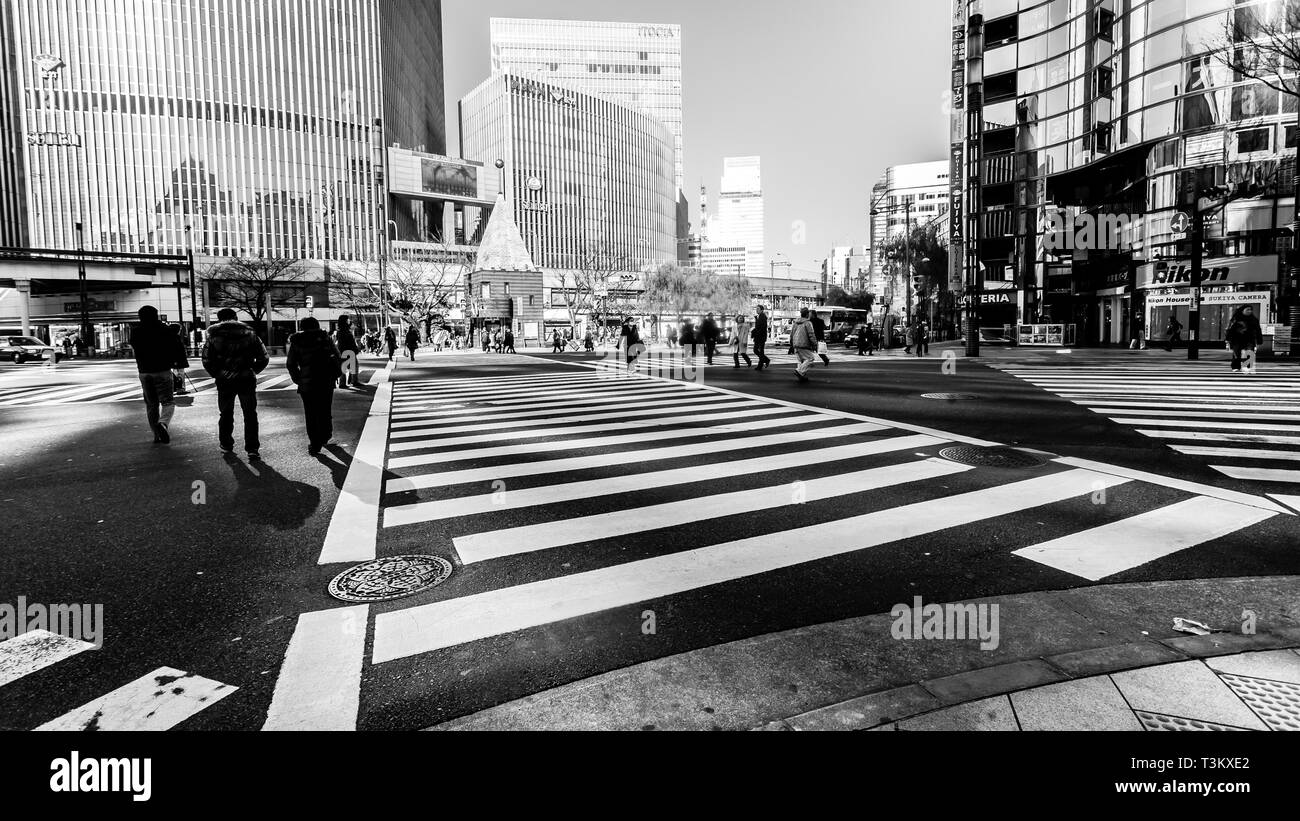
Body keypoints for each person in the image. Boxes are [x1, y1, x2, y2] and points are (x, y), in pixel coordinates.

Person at [202, 307, 269, 460]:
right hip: (246, 378)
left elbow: (206, 359)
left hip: (224, 380)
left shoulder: (213, 337)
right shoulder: (250, 335)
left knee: (225, 412)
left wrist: (218, 373)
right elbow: (264, 357)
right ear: (236, 317)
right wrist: (252, 371)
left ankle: (226, 443)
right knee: (250, 413)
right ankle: (252, 448)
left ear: (219, 319)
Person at [129, 306, 188, 444]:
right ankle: (163, 423)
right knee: (168, 401)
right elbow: (176, 347)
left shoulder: (136, 332)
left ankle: (156, 435)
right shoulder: (165, 330)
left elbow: (135, 346)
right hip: (162, 370)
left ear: (140, 316)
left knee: (151, 404)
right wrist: (178, 363)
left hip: (144, 371)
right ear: (156, 315)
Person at [286, 316, 342, 456]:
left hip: (307, 382)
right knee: (325, 409)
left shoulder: (297, 341)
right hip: (325, 380)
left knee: (310, 413)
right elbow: (336, 356)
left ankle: (314, 443)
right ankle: (325, 435)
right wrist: (335, 374)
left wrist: (298, 379)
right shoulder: (325, 338)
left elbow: (291, 363)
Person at [1226, 306, 1263, 374]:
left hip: (1249, 339)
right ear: (1242, 310)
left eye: (1251, 310)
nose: (1250, 311)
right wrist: (1228, 339)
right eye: (1247, 310)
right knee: (1237, 353)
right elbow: (1230, 329)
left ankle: (1248, 367)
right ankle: (1236, 366)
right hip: (1237, 339)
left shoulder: (1254, 319)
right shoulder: (1236, 319)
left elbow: (1258, 330)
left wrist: (1259, 339)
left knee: (1250, 352)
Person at [791, 307, 818, 383]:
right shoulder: (808, 323)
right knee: (810, 358)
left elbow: (792, 334)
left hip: (796, 344)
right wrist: (815, 344)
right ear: (807, 314)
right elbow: (811, 335)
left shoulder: (795, 323)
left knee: (800, 361)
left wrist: (791, 344)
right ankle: (799, 371)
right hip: (804, 344)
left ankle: (801, 376)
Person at [335, 315, 360, 389]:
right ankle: (353, 381)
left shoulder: (340, 331)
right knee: (354, 366)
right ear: (345, 321)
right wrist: (355, 349)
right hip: (349, 350)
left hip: (343, 351)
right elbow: (350, 342)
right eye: (347, 320)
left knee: (344, 367)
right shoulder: (345, 331)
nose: (349, 321)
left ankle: (343, 383)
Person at [753, 305, 772, 371]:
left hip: (761, 337)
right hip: (758, 336)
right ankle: (766, 360)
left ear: (761, 310)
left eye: (758, 309)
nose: (756, 310)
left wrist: (756, 332)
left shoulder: (763, 316)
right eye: (756, 309)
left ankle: (760, 365)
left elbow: (762, 327)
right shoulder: (758, 316)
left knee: (760, 351)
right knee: (756, 350)